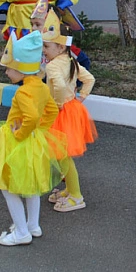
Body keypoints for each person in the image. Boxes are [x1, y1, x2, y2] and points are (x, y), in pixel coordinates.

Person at [0, 30, 63, 246]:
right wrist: (39, 130)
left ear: (21, 69)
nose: (6, 72)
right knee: (31, 186)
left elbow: (31, 117)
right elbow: (52, 111)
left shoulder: (22, 92)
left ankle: (21, 232)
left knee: (8, 187)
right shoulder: (41, 87)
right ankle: (32, 225)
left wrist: (20, 134)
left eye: (9, 68)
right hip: (34, 141)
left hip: (17, 142)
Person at [41, 13, 97, 213]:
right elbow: (89, 79)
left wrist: (57, 103)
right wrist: (81, 97)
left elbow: (58, 85)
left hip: (60, 113)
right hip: (72, 109)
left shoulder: (53, 66)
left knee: (62, 156)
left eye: (47, 46)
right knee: (61, 155)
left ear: (60, 47)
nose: (43, 50)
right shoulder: (70, 60)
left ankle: (76, 196)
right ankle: (70, 189)